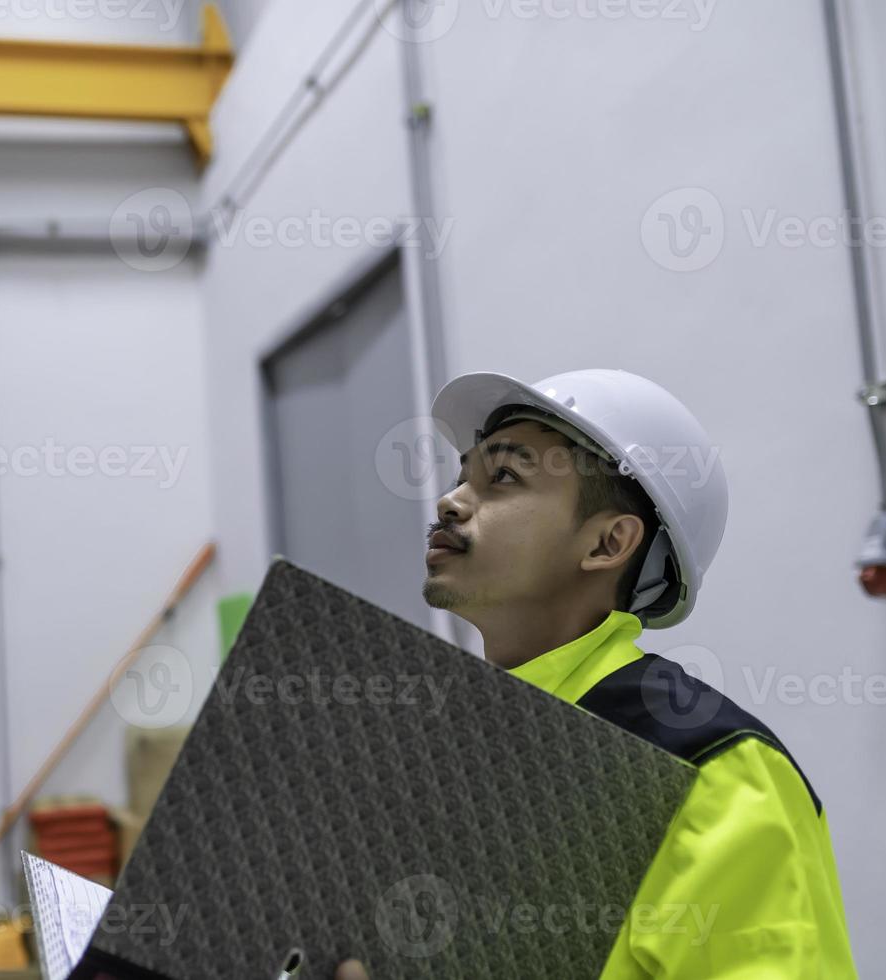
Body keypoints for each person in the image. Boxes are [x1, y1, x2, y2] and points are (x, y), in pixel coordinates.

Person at [336, 369, 857, 978]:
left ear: (609, 543)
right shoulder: (444, 747)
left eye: (503, 477)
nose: (450, 501)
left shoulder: (705, 767)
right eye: (461, 476)